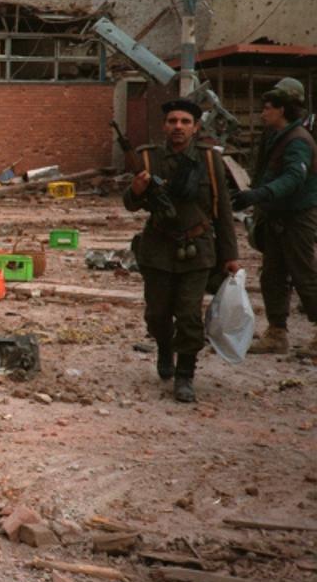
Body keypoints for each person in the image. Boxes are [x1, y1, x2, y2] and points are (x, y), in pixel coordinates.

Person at [124, 99, 240, 403]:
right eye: (172, 121)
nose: (178, 127)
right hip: (158, 248)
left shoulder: (210, 162)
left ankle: (185, 375)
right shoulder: (149, 159)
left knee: (189, 314)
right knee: (158, 313)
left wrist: (230, 255)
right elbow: (130, 203)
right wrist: (135, 191)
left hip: (198, 249)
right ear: (164, 126)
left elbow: (223, 211)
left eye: (185, 122)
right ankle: (165, 348)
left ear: (196, 127)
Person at [232, 78, 317, 355]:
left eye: (267, 108)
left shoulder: (298, 141)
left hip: (297, 217)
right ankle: (277, 333)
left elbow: (294, 178)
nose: (262, 113)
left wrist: (260, 195)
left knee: (304, 274)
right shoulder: (277, 137)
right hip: (277, 217)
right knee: (273, 276)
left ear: (282, 109)